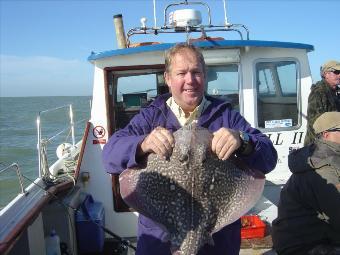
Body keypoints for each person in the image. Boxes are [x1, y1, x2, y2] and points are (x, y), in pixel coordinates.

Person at [102, 43, 277, 255]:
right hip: (160, 243)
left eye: (196, 72)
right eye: (181, 73)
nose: (190, 80)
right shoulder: (151, 116)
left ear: (205, 75)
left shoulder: (226, 115)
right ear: (167, 78)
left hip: (217, 241)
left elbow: (268, 158)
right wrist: (142, 144)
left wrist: (244, 140)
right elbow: (109, 156)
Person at [272, 112, 340, 255]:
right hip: (302, 245)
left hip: (319, 235)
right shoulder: (322, 167)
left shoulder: (329, 157)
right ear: (326, 135)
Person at [304, 60, 340, 145]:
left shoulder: (336, 92)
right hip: (320, 146)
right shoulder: (318, 92)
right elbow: (315, 121)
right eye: (336, 72)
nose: (339, 75)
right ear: (326, 74)